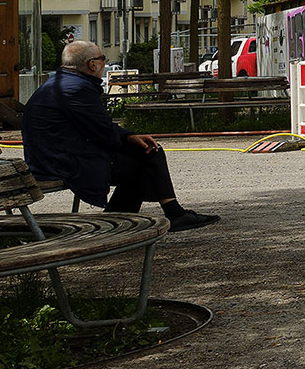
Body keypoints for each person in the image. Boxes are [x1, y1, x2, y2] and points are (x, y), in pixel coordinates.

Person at [22, 41, 219, 231]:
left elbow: (96, 128)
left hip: (50, 156)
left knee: (143, 153)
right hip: (60, 162)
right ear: (92, 64)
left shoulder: (59, 83)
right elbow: (103, 133)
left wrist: (129, 137)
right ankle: (122, 223)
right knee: (144, 158)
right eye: (103, 58)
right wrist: (129, 138)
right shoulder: (77, 89)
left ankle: (153, 216)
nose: (104, 63)